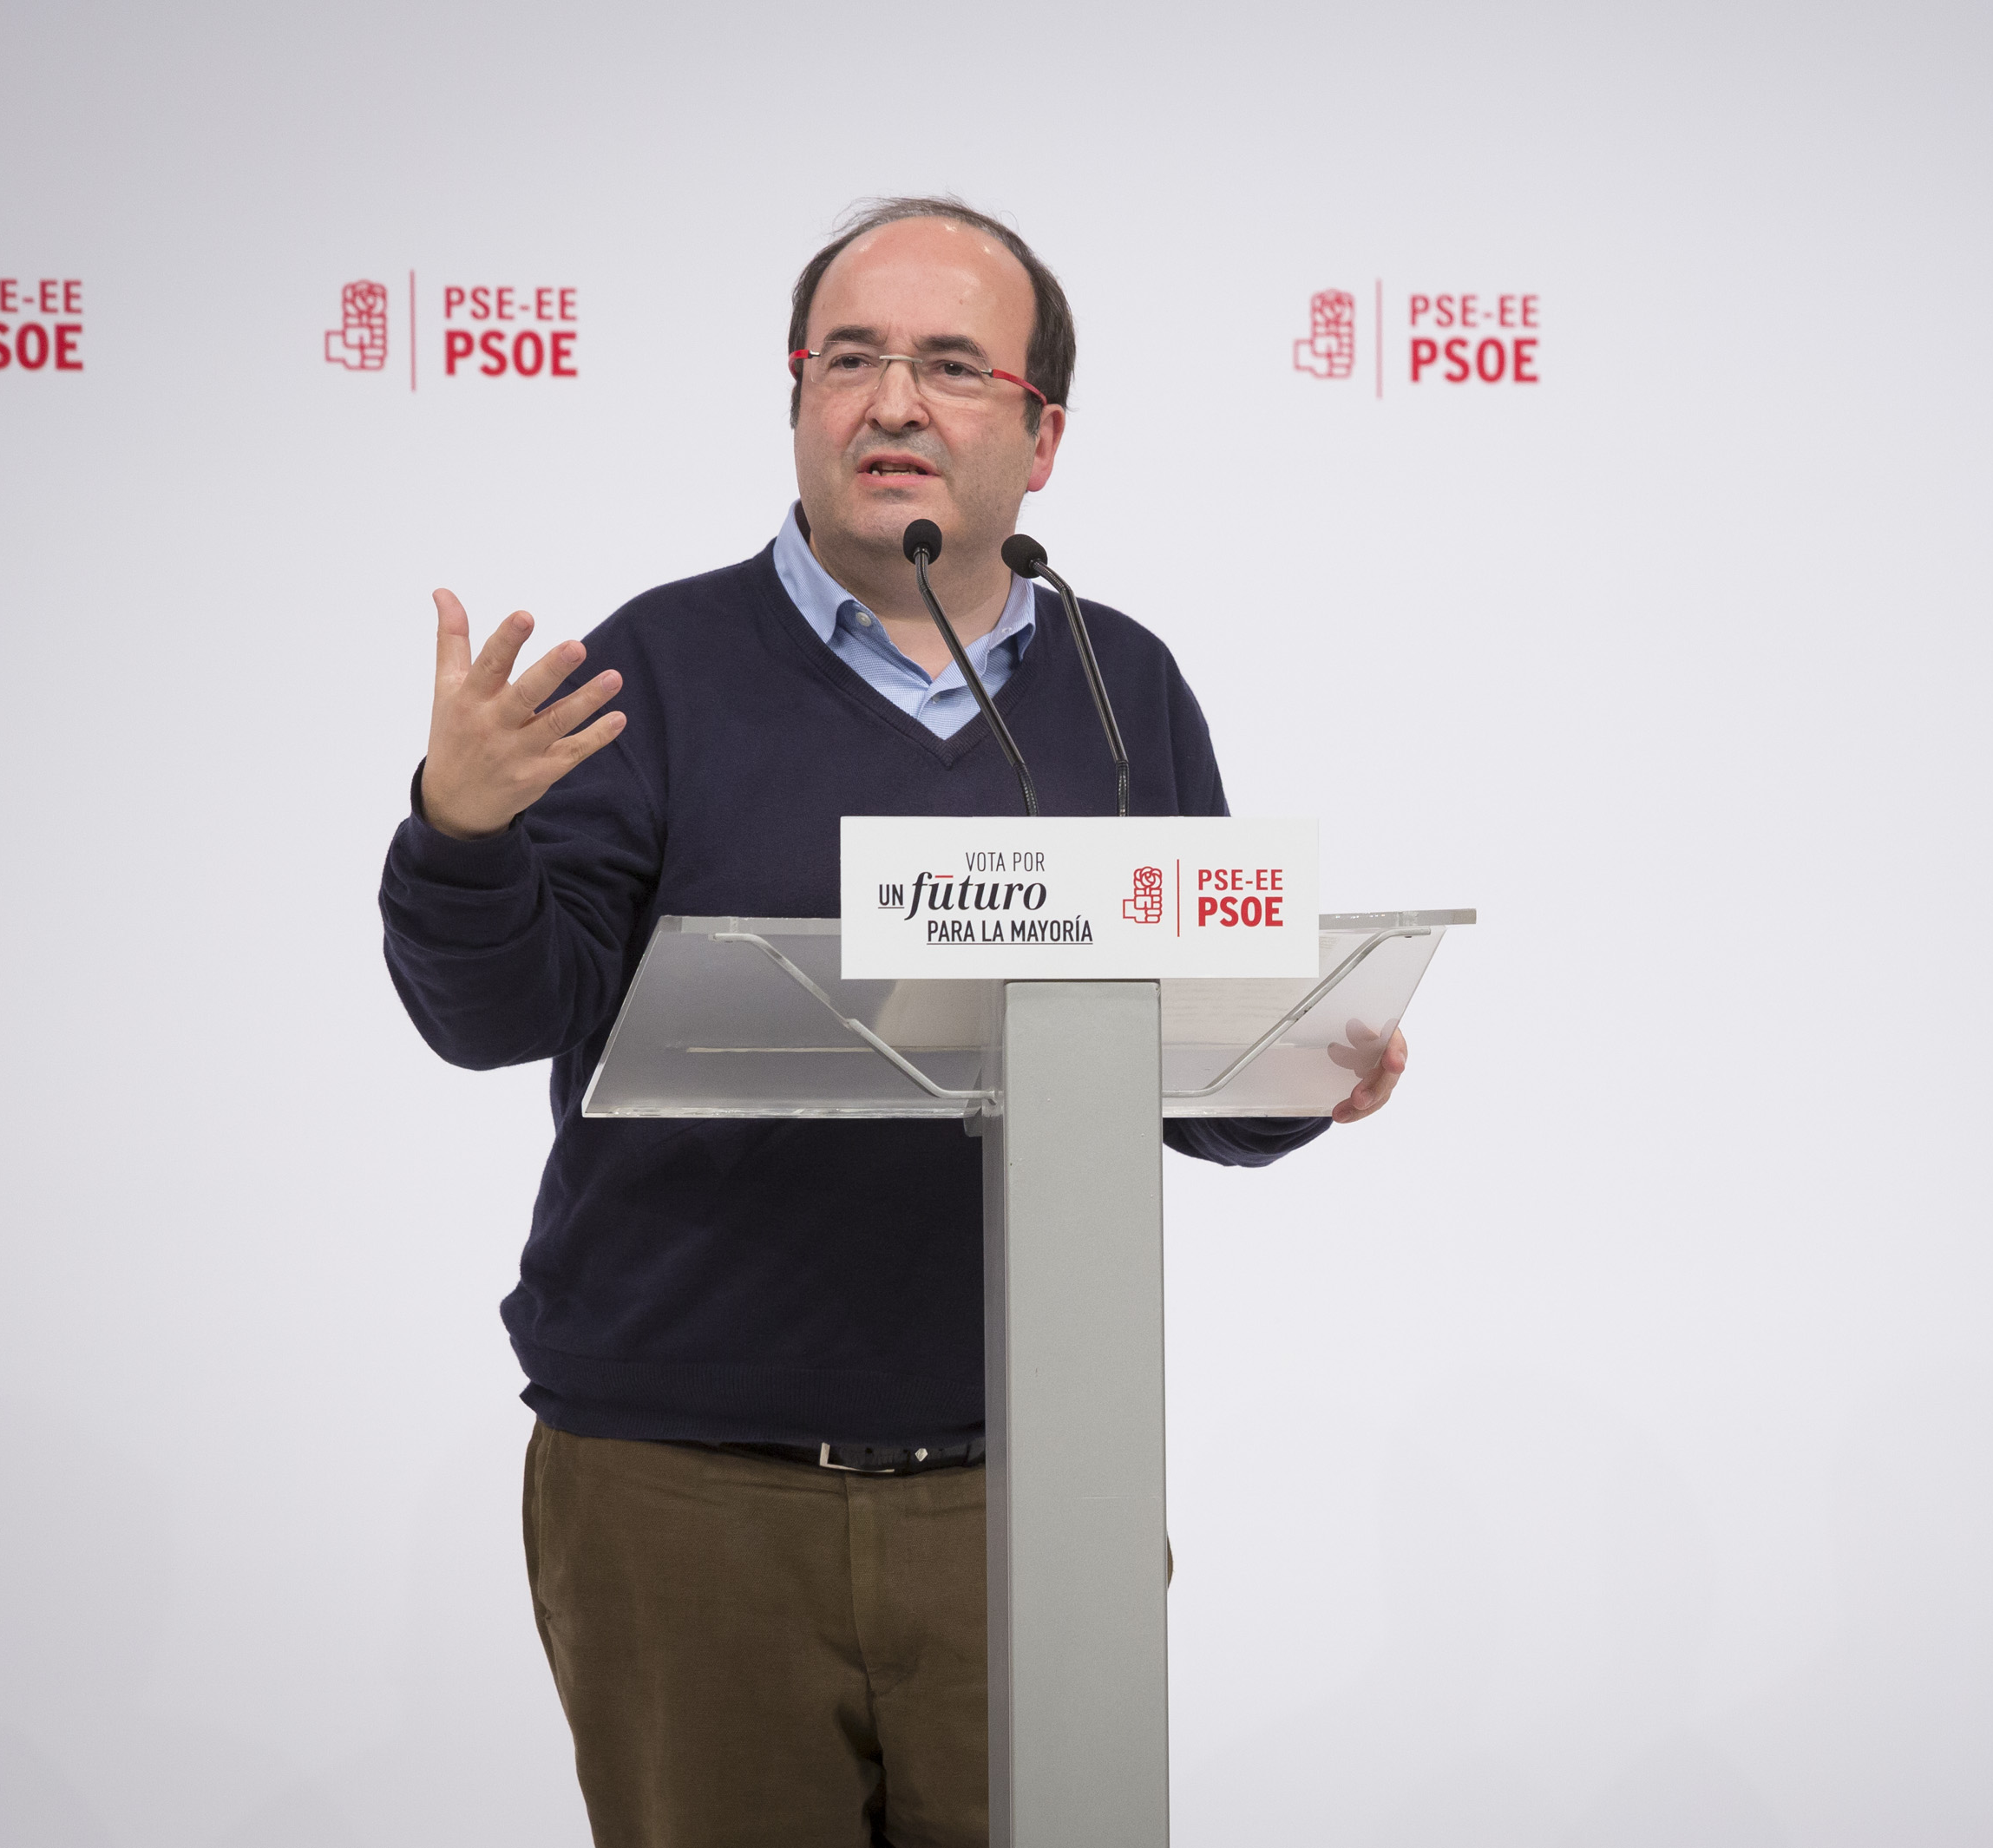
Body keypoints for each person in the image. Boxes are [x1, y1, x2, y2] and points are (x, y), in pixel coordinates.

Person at [377, 196, 1409, 1848]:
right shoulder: (652, 669)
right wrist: (463, 833)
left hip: (1040, 1488)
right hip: (685, 1485)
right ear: (798, 400)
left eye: (950, 365)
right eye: (848, 360)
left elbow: (1185, 1057)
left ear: (1042, 435)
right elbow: (496, 1014)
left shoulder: (1120, 685)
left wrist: (1302, 1062)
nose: (893, 402)